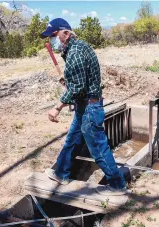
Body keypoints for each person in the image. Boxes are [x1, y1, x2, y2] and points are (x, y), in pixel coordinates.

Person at [41, 18, 127, 196]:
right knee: (72, 139)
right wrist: (69, 81)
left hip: (90, 107)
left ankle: (117, 185)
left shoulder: (76, 51)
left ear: (66, 33)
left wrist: (57, 107)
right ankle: (60, 173)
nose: (52, 40)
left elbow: (78, 87)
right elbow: (79, 81)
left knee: (98, 147)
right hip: (84, 105)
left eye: (54, 35)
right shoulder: (75, 49)